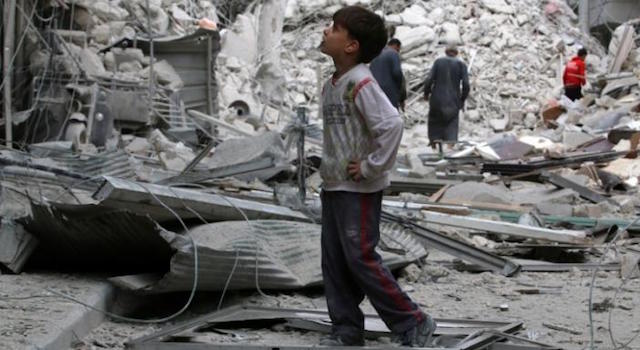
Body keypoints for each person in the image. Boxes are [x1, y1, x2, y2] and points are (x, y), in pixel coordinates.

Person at [318, 5, 436, 347]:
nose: (326, 31)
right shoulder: (331, 84)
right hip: (335, 185)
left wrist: (370, 166)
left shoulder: (361, 82)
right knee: (335, 261)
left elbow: (391, 124)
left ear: (352, 45)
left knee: (361, 258)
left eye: (334, 28)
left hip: (360, 190)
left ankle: (413, 321)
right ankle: (346, 329)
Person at [424, 45, 470, 150]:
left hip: (437, 99)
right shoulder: (461, 65)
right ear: (456, 53)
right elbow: (466, 84)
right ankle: (450, 146)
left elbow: (429, 79)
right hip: (453, 100)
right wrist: (462, 99)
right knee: (452, 122)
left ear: (446, 52)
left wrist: (426, 94)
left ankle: (435, 144)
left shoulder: (438, 62)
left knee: (434, 121)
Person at [370, 38, 407, 111]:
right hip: (389, 92)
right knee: (391, 115)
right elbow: (397, 73)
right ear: (397, 46)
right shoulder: (393, 53)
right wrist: (399, 89)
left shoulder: (376, 54)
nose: (398, 52)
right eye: (398, 50)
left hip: (374, 90)